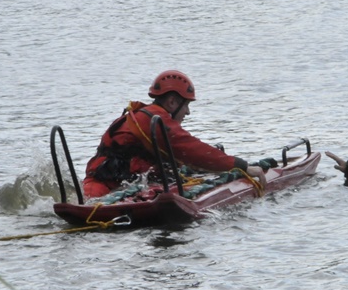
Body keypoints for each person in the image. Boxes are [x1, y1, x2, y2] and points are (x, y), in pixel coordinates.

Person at [83, 70, 266, 198]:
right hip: (107, 186)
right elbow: (192, 149)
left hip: (104, 181)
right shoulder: (155, 120)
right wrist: (242, 166)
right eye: (186, 105)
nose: (187, 112)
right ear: (172, 102)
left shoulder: (142, 116)